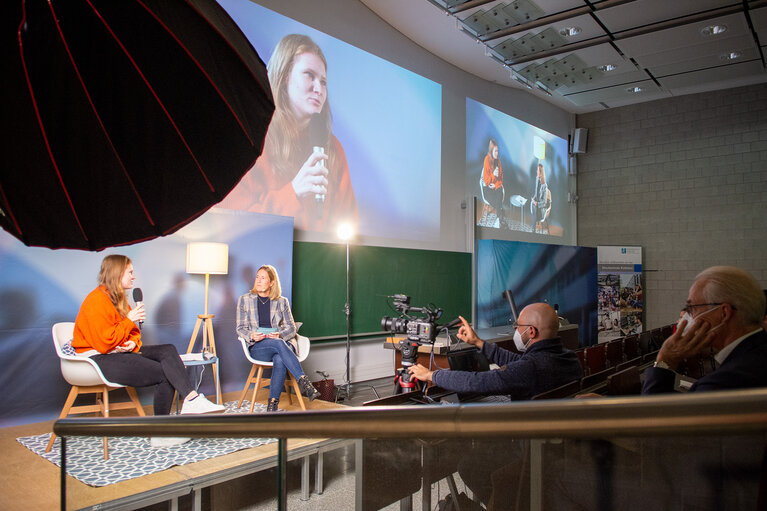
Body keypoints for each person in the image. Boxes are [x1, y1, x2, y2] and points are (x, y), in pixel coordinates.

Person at [72, 255, 225, 447]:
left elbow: (133, 334)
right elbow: (104, 344)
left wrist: (130, 343)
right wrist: (129, 320)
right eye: (130, 272)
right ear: (117, 273)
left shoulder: (118, 299)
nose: (134, 277)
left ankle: (191, 399)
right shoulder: (95, 300)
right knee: (165, 373)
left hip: (116, 351)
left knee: (168, 350)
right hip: (97, 359)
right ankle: (160, 432)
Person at [220, 34, 357, 233]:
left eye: (324, 81)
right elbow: (231, 223)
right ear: (284, 77)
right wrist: (294, 192)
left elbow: (348, 221)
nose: (318, 88)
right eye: (309, 75)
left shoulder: (333, 148)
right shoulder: (251, 138)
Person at [408, 303, 582, 400]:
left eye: (517, 326)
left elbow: (476, 382)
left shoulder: (530, 368)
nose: (515, 329)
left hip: (526, 441)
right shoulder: (569, 358)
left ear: (531, 331)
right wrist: (478, 342)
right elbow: (516, 362)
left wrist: (432, 375)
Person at [643, 266, 767, 394]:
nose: (687, 316)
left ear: (724, 313)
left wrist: (665, 361)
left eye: (691, 308)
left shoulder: (724, 383)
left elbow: (654, 413)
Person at [236, 264, 320, 411]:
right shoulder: (245, 300)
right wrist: (251, 335)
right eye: (257, 277)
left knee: (280, 356)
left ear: (272, 282)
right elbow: (240, 329)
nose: (259, 281)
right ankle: (304, 381)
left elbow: (291, 328)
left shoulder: (282, 302)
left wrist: (280, 334)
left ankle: (272, 405)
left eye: (263, 278)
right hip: (258, 347)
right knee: (280, 345)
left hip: (279, 344)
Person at [481, 138, 504, 223]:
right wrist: (493, 175)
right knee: (499, 201)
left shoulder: (498, 161)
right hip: (488, 189)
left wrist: (496, 185)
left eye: (498, 151)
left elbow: (501, 178)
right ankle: (500, 216)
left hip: (495, 187)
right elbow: (486, 181)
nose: (497, 153)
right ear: (491, 151)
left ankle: (499, 218)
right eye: (495, 151)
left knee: (500, 190)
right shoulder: (487, 159)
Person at [530, 163, 551, 233]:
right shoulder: (537, 179)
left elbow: (544, 203)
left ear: (541, 173)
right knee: (533, 206)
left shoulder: (544, 186)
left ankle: (533, 230)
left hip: (541, 209)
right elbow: (536, 194)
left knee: (533, 207)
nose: (536, 172)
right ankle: (533, 229)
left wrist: (536, 203)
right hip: (536, 205)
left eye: (538, 171)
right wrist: (533, 198)